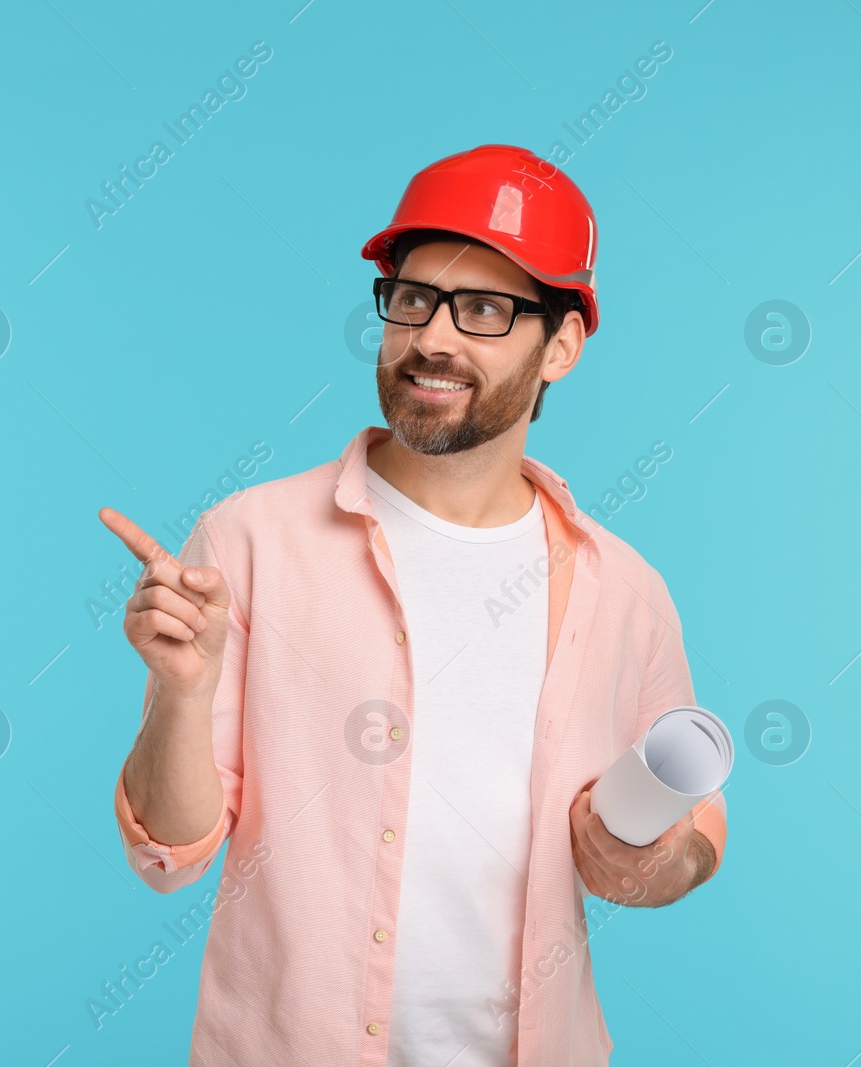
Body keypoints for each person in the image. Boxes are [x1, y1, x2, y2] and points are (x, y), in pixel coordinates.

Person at [99, 144, 728, 1067]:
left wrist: (637, 857)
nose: (433, 337)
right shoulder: (249, 541)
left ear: (562, 344)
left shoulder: (623, 589)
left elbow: (693, 837)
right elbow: (171, 855)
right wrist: (183, 696)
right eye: (413, 298)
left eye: (484, 309)